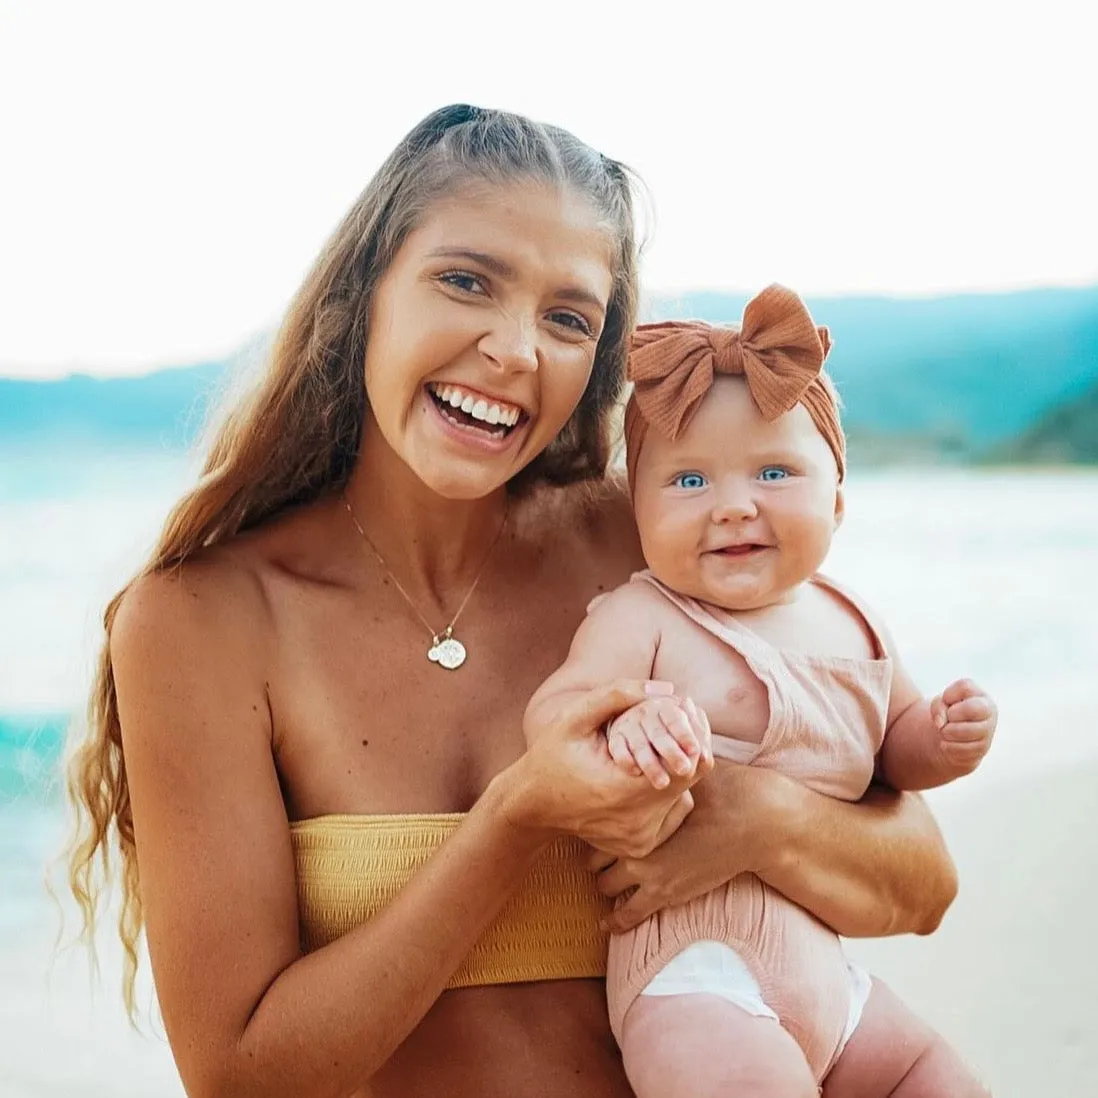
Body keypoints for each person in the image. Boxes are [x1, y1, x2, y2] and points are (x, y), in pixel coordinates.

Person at [64, 106, 957, 1098]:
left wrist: (750, 815)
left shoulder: (647, 551)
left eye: (568, 317)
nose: (515, 349)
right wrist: (517, 819)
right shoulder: (204, 621)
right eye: (466, 282)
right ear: (367, 293)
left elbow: (921, 880)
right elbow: (240, 1077)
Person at [527, 285, 995, 1097]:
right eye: (688, 482)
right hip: (698, 981)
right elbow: (555, 713)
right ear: (635, 512)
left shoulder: (855, 622)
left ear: (838, 503)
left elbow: (896, 750)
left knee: (935, 1075)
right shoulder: (647, 614)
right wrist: (627, 721)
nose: (734, 505)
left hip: (833, 985)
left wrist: (942, 736)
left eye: (774, 472)